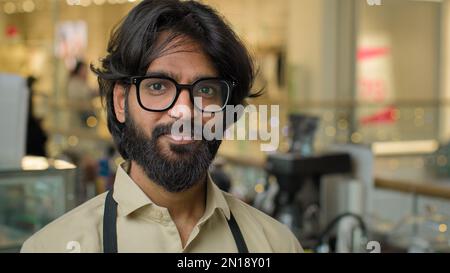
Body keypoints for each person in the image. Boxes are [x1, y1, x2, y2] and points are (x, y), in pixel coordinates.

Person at [21, 0, 302, 253]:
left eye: (205, 90)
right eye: (158, 86)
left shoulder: (276, 245)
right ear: (121, 102)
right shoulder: (50, 247)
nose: (184, 111)